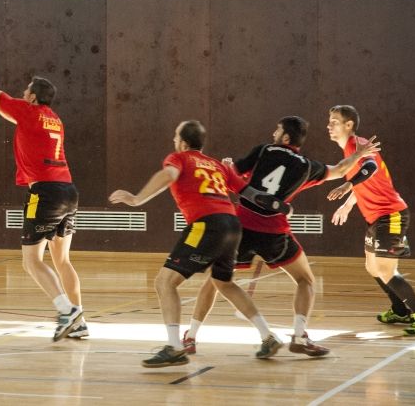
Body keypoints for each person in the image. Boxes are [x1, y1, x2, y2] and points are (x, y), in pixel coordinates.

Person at [184, 116, 380, 357]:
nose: (273, 134)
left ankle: (191, 337)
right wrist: (359, 154)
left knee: (215, 280)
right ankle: (299, 336)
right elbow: (340, 169)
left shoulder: (264, 150)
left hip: (242, 226)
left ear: (285, 137)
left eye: (277, 130)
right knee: (306, 280)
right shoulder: (307, 166)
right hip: (274, 231)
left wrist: (226, 166)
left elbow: (232, 174)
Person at [109, 120, 284, 367]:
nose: (173, 140)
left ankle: (174, 347)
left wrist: (137, 199)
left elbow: (168, 175)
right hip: (232, 225)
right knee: (224, 283)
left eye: (175, 136)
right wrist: (278, 205)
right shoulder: (217, 165)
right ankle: (268, 336)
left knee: (164, 282)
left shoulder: (179, 158)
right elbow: (250, 193)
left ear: (183, 143)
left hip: (206, 225)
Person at [0, 49, 86, 341]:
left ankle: (67, 312)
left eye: (26, 91)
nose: (22, 93)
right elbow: (1, 105)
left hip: (45, 193)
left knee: (31, 261)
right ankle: (80, 320)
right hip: (68, 191)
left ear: (32, 97)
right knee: (62, 261)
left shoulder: (28, 111)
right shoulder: (53, 118)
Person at [327, 105, 415, 335]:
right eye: (329, 121)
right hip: (375, 218)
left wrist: (347, 184)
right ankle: (400, 310)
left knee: (386, 270)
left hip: (390, 214)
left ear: (349, 125)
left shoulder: (358, 145)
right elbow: (366, 182)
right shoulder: (349, 150)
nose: (329, 126)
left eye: (334, 121)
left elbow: (371, 168)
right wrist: (347, 205)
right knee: (372, 267)